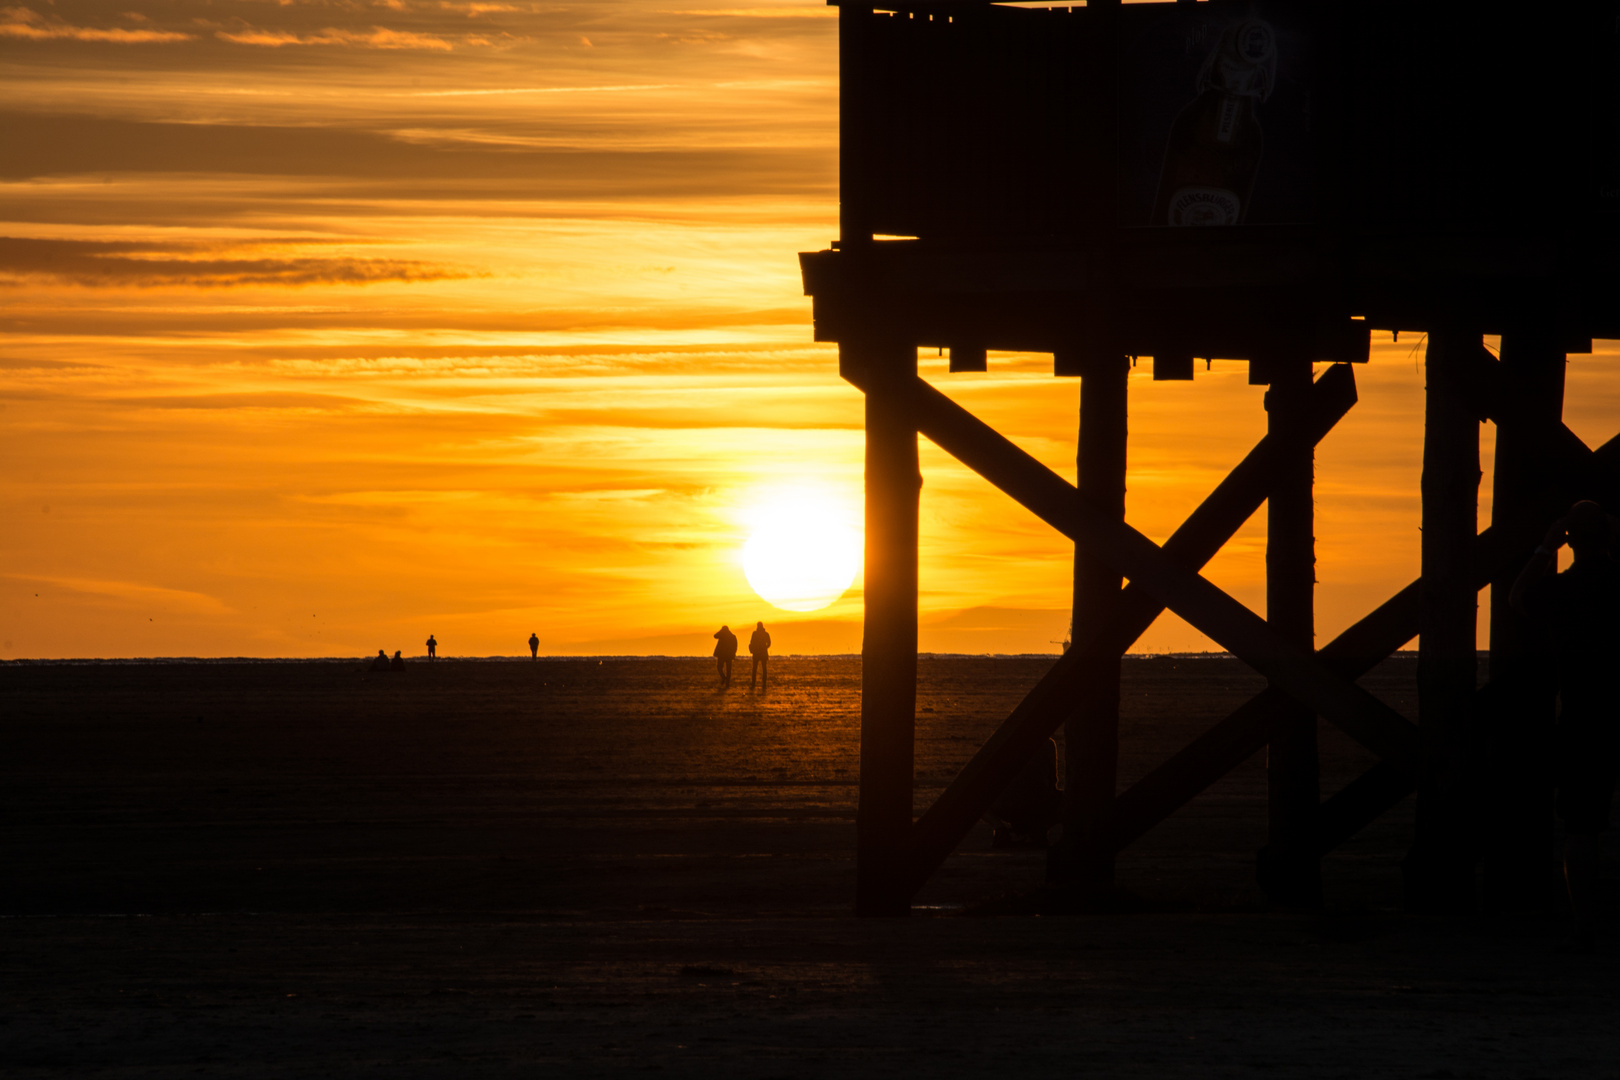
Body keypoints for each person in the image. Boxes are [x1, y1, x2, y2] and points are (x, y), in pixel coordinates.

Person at [1511, 500, 1620, 947]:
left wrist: (1544, 547)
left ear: (1570, 539)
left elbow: (1519, 598)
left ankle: (1585, 921)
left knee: (1581, 825)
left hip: (1583, 716)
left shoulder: (1563, 591)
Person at [749, 621, 772, 691]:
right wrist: (765, 647)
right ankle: (763, 684)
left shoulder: (755, 633)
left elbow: (751, 642)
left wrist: (753, 648)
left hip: (757, 653)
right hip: (762, 653)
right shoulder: (765, 634)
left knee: (755, 669)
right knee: (763, 669)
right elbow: (769, 643)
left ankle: (754, 684)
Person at [713, 624, 738, 688]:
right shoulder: (732, 636)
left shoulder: (722, 635)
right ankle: (727, 682)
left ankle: (724, 678)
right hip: (729, 655)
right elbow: (735, 646)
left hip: (722, 655)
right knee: (728, 670)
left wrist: (720, 631)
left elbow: (715, 635)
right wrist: (733, 653)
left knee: (719, 667)